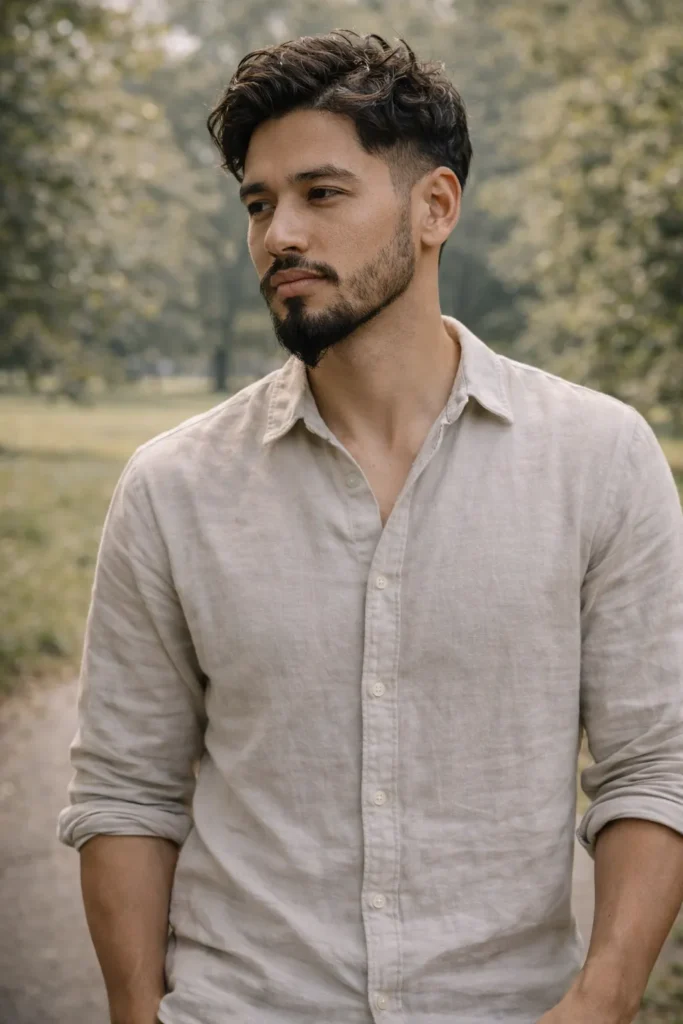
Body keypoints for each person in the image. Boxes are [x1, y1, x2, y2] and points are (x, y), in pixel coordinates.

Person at [58, 29, 683, 1024]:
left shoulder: (598, 458)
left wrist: (602, 1000)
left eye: (320, 193)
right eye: (257, 204)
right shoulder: (172, 488)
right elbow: (126, 791)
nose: (279, 235)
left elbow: (655, 765)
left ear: (434, 207)